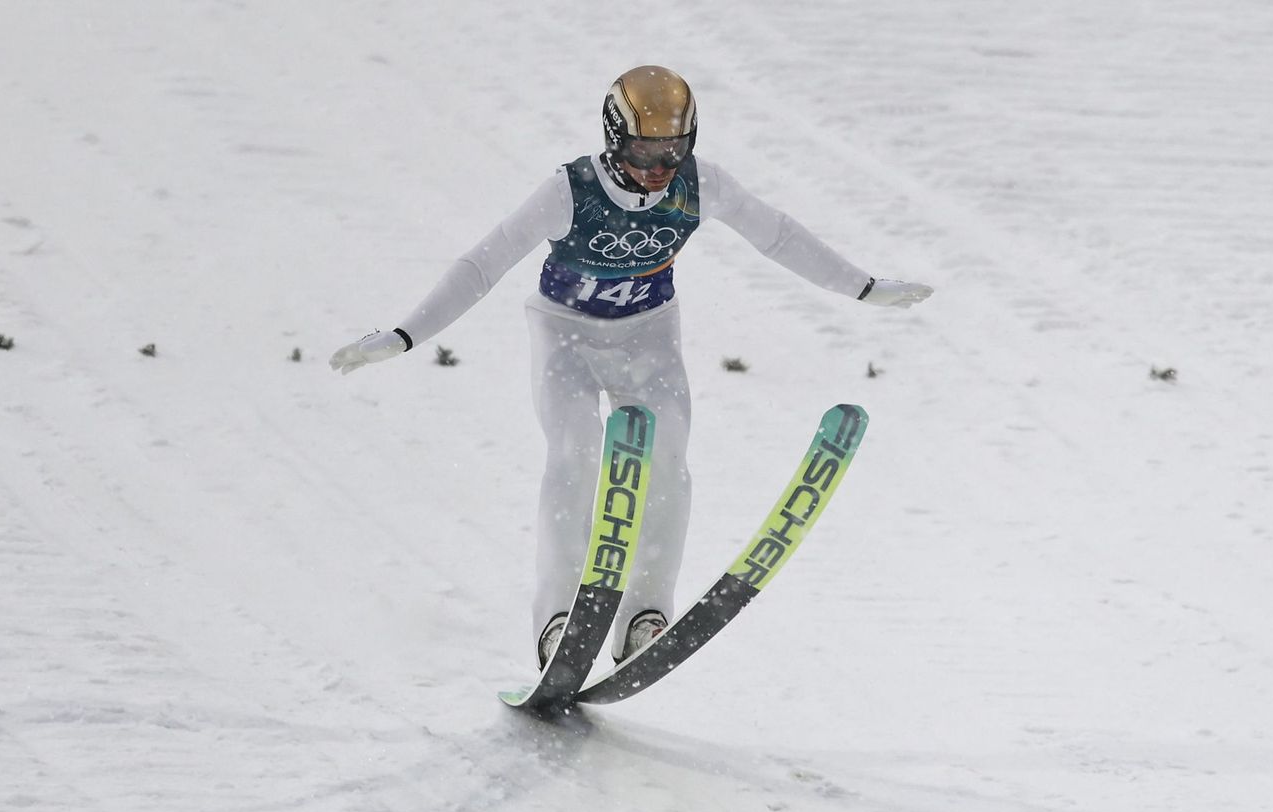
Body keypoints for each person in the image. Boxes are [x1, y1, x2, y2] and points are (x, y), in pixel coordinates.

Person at [330, 65, 932, 669]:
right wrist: (407, 334)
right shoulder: (570, 190)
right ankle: (556, 619)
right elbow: (484, 264)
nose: (659, 168)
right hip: (564, 336)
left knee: (669, 456)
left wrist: (864, 287)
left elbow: (776, 236)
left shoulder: (703, 184)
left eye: (673, 150)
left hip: (649, 335)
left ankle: (646, 615)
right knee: (575, 449)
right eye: (645, 150)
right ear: (615, 138)